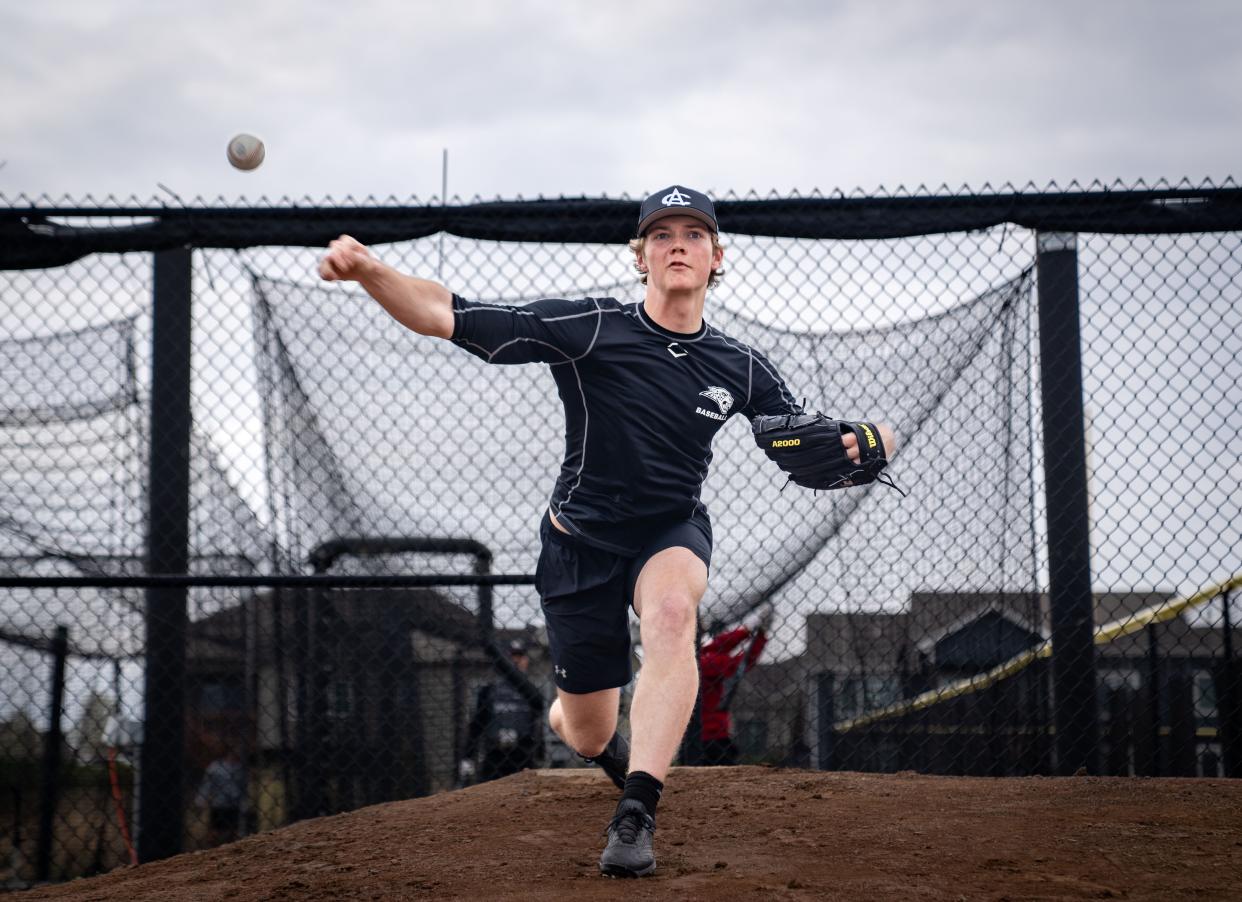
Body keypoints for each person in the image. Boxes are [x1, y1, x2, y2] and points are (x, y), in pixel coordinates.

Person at [319, 185, 896, 878]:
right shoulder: (594, 326)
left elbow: (799, 443)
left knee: (676, 613)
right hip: (579, 544)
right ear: (641, 257)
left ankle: (636, 812)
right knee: (586, 725)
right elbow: (454, 314)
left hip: (670, 530)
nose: (676, 243)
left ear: (717, 258)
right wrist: (371, 271)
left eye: (692, 234)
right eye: (660, 235)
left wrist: (877, 437)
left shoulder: (741, 365)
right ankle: (584, 733)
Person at [459, 639, 544, 785]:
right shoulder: (489, 690)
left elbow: (538, 724)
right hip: (494, 756)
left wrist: (541, 754)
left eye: (520, 656)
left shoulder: (532, 692)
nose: (516, 661)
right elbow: (476, 725)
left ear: (526, 660)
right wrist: (468, 757)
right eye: (512, 656)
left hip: (523, 758)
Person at [697, 603, 772, 766]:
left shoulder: (694, 656)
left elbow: (718, 645)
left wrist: (746, 630)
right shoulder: (702, 663)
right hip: (710, 738)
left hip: (702, 736)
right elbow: (741, 663)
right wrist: (760, 637)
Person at [195, 748, 246, 847]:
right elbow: (207, 785)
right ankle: (211, 848)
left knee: (233, 830)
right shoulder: (215, 767)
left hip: (233, 804)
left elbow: (243, 787)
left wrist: (243, 802)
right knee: (216, 830)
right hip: (219, 804)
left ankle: (232, 849)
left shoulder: (239, 768)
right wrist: (201, 799)